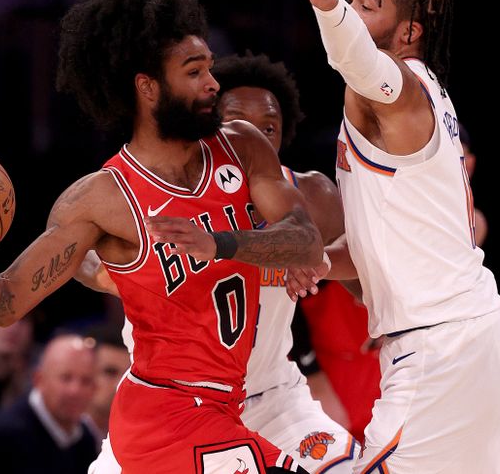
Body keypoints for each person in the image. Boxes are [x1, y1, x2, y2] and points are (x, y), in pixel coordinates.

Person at [0, 0, 327, 474]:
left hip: (225, 406)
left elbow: (307, 243)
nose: (213, 83)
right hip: (166, 415)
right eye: (193, 71)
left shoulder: (243, 147)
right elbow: (7, 301)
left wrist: (221, 244)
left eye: (208, 66)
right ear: (148, 87)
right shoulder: (101, 199)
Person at [284, 0, 500, 472]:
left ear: (409, 30)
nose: (348, 6)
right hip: (469, 336)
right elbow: (378, 249)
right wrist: (317, 262)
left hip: (442, 351)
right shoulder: (407, 97)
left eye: (364, 5)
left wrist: (324, 6)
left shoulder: (401, 91)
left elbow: (359, 62)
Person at [85, 52, 359, 474]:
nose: (257, 137)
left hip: (273, 401)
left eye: (269, 127)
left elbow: (364, 272)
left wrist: (317, 262)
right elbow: (86, 259)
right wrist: (112, 277)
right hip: (175, 409)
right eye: (238, 121)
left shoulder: (309, 196)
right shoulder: (158, 194)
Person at [0, 333, 98, 474]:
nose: (75, 391)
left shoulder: (86, 438)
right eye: (66, 378)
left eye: (86, 381)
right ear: (39, 379)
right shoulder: (2, 435)